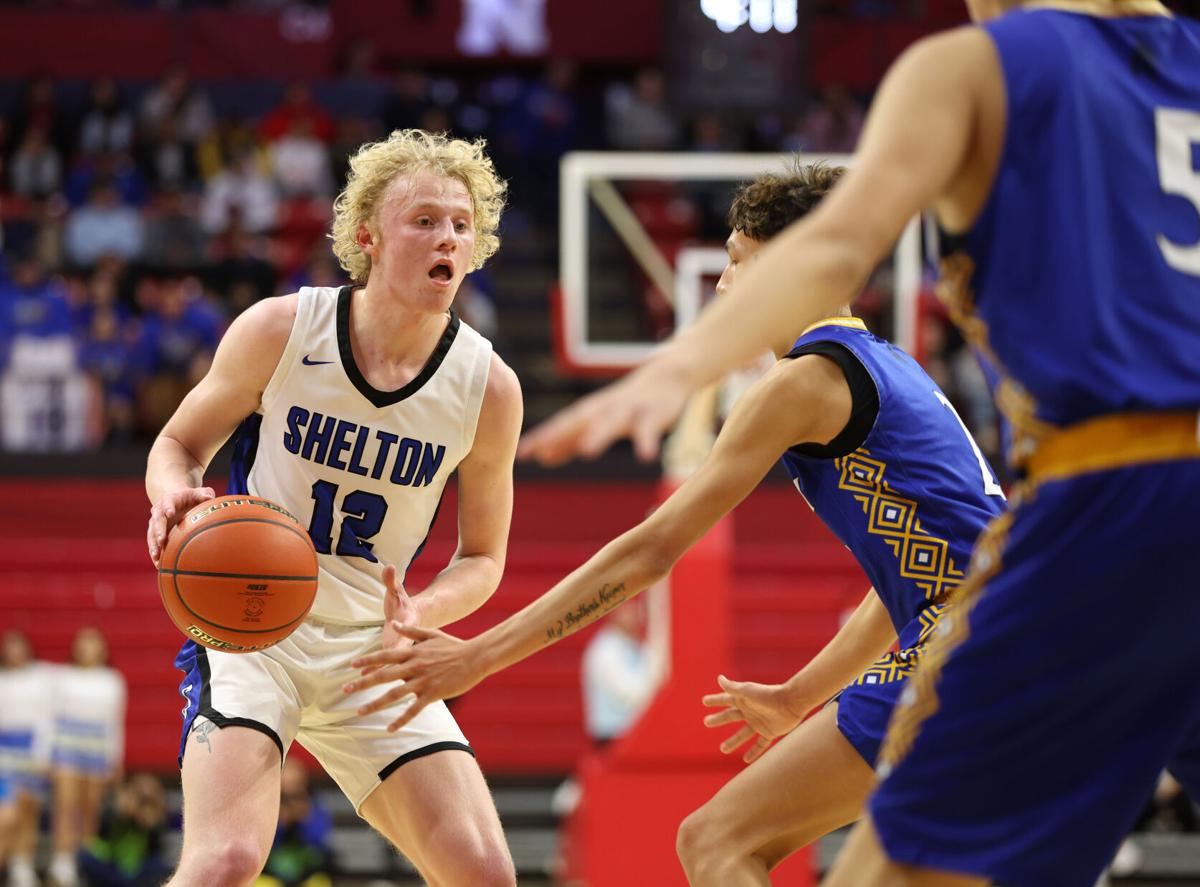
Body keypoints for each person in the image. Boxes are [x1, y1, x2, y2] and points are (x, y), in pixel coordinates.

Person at [518, 3, 1200, 886]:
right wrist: (804, 693)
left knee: (733, 842)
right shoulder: (1178, 65)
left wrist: (674, 370)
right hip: (1078, 547)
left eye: (736, 261)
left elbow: (839, 238)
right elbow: (922, 555)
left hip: (1095, 504)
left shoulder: (982, 66)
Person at [344, 161, 1005, 883]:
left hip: (972, 641)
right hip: (1010, 632)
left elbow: (651, 551)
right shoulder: (889, 365)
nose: (721, 287)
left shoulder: (802, 381)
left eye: (737, 262)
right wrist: (798, 696)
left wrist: (479, 656)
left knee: (718, 841)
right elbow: (907, 576)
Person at [144, 128, 522, 886]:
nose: (447, 235)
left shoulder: (488, 387)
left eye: (460, 223)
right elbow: (178, 444)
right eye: (423, 220)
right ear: (368, 236)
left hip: (374, 649)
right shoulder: (284, 329)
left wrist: (421, 610)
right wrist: (171, 496)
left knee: (486, 872)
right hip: (255, 630)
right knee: (225, 860)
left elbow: (482, 558)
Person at [49, 626, 127, 887]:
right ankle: (62, 861)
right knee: (66, 806)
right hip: (67, 746)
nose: (88, 648)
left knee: (90, 809)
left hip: (96, 749)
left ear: (103, 648)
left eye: (94, 642)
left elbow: (115, 722)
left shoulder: (113, 680)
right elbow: (50, 717)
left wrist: (115, 759)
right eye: (84, 642)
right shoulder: (63, 677)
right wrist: (47, 752)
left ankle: (86, 862)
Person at [0, 630, 55, 887]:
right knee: (9, 814)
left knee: (29, 812)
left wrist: (43, 753)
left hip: (31, 749)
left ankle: (23, 864)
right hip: (4, 752)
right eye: (11, 647)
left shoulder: (41, 678)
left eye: (19, 646)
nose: (15, 652)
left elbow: (46, 717)